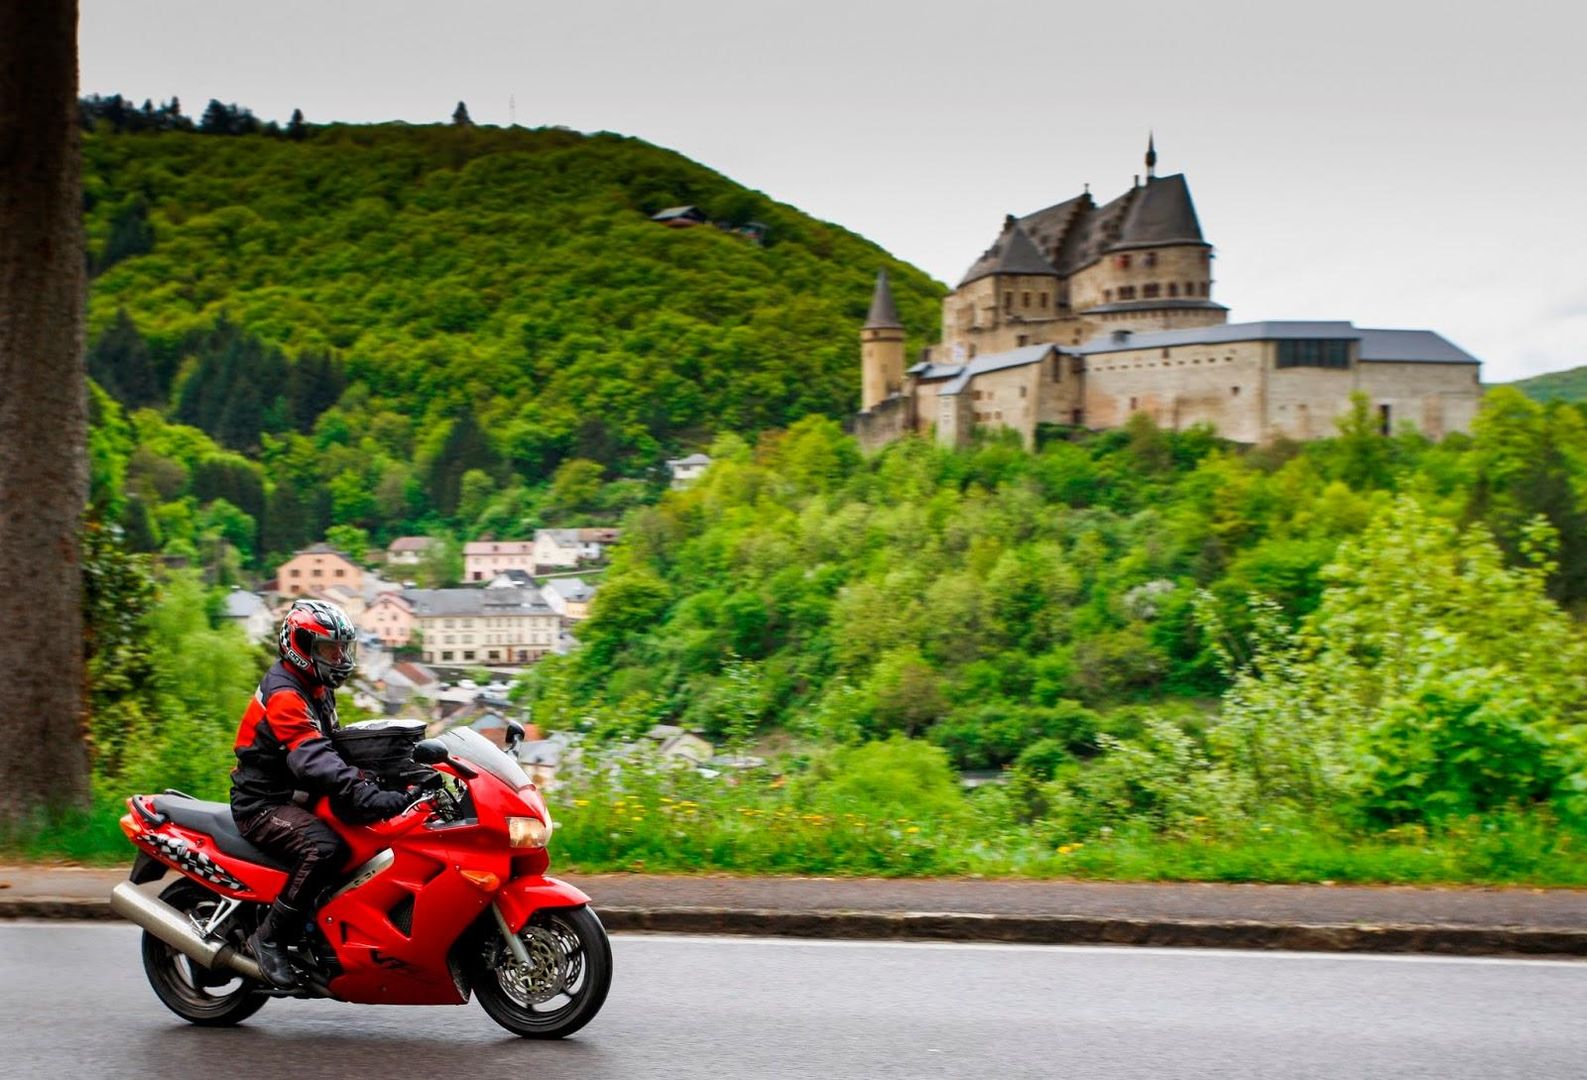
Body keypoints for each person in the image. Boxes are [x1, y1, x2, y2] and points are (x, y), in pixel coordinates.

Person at [230, 598, 411, 988]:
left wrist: (392, 776)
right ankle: (269, 938)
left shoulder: (315, 686)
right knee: (325, 849)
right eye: (330, 650)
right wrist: (364, 794)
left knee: (363, 837)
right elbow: (313, 759)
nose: (339, 658)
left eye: (342, 649)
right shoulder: (286, 694)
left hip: (296, 795)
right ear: (300, 646)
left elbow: (334, 746)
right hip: (263, 804)